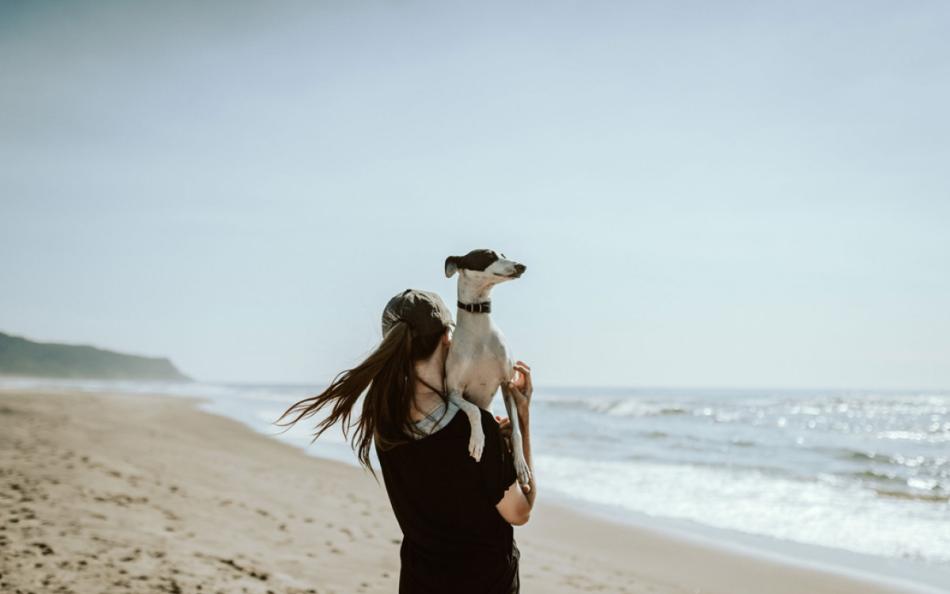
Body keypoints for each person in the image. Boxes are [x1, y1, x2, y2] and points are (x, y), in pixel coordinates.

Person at [276, 288, 536, 594]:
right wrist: (523, 418)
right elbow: (520, 512)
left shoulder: (385, 423)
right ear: (447, 339)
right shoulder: (473, 426)